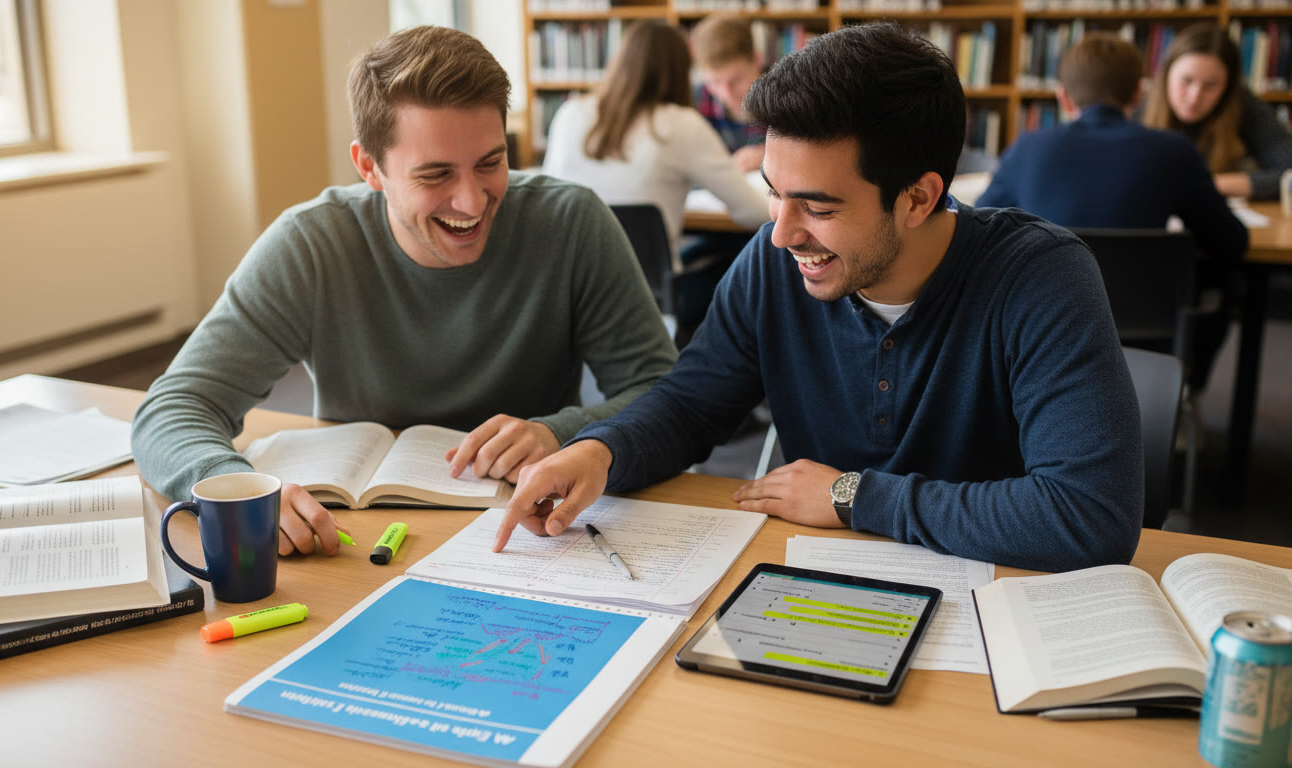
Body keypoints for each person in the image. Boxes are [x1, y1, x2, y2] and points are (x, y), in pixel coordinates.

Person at [492, 22, 1144, 573]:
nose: (780, 233)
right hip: (825, 575)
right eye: (776, 192)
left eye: (818, 207)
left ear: (918, 197)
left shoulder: (1040, 277)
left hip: (996, 596)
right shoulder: (775, 262)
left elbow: (1088, 514)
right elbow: (693, 404)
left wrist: (850, 496)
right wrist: (600, 451)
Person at [132, 26, 677, 557]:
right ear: (369, 167)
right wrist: (234, 489)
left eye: (490, 163)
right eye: (436, 175)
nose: (471, 201)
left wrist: (563, 432)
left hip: (532, 535)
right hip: (349, 538)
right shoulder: (311, 243)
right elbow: (175, 407)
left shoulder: (571, 222)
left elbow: (663, 390)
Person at [978, 33, 1248, 390]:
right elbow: (1230, 243)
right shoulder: (1174, 152)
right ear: (1138, 94)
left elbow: (979, 231)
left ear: (1062, 97)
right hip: (1147, 339)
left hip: (1043, 332)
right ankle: (1183, 399)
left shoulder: (1028, 148)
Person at [541, 20, 768, 273]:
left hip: (572, 288)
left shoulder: (569, 112)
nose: (724, 92)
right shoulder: (681, 124)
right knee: (735, 270)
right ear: (681, 71)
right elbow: (754, 212)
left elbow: (550, 202)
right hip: (650, 299)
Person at [1141, 22, 1292, 200]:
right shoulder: (1141, 107)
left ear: (1227, 87)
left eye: (1210, 85)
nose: (1195, 96)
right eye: (1187, 80)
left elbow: (1288, 174)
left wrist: (1207, 184)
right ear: (1166, 75)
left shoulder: (1244, 105)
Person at [689, 14, 767, 174]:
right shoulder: (695, 101)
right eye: (715, 82)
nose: (726, 94)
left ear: (757, 60)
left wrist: (770, 157)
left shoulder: (786, 99)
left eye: (736, 80)